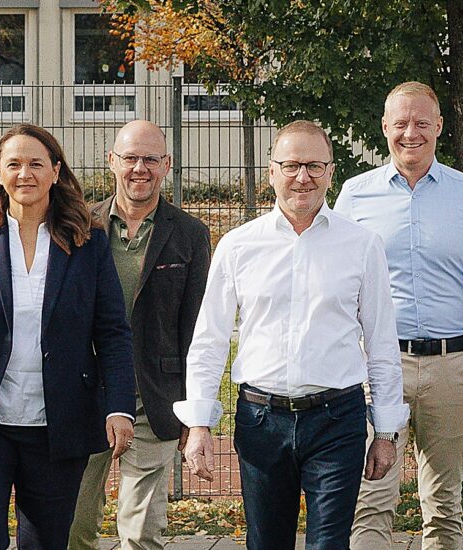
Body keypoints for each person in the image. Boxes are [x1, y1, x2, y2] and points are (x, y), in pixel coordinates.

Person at [180, 121, 405, 550]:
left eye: (315, 166)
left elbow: (381, 343)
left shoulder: (362, 245)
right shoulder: (238, 246)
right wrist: (199, 423)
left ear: (331, 172)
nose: (303, 177)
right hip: (261, 420)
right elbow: (209, 339)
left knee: (329, 544)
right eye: (291, 166)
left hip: (337, 420)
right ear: (271, 172)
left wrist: (386, 431)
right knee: (266, 542)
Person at [0, 124, 140, 549]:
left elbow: (112, 333)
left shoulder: (87, 241)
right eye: (14, 164)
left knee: (46, 542)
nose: (25, 174)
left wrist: (119, 408)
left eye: (36, 164)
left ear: (56, 171)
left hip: (58, 423)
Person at [336, 82, 463, 550]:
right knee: (371, 499)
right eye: (401, 123)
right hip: (378, 367)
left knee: (444, 502)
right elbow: (337, 285)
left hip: (451, 367)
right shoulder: (355, 196)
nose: (410, 133)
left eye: (421, 123)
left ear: (439, 127)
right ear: (384, 127)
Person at [68, 120, 215, 550]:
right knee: (73, 527)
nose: (140, 168)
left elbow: (196, 328)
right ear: (111, 161)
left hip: (155, 398)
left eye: (150, 159)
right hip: (86, 395)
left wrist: (193, 410)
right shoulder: (80, 227)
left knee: (140, 533)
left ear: (166, 165)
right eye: (130, 158)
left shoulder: (189, 234)